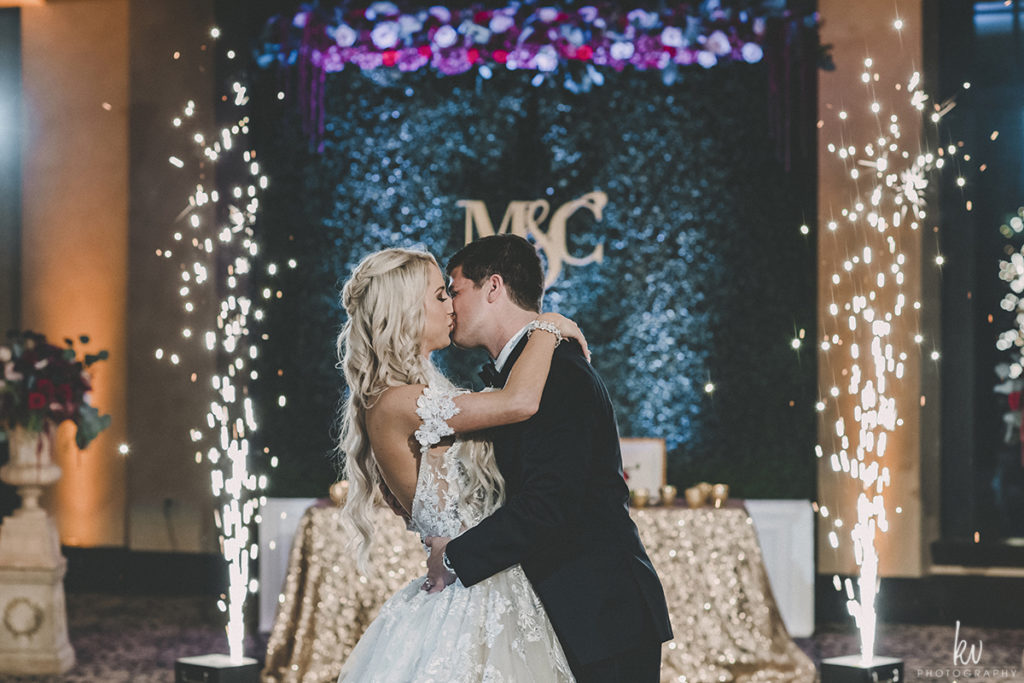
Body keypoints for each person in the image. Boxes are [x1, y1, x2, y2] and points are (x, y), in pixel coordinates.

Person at [424, 234, 673, 682]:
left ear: (493, 287)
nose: (450, 306)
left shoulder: (559, 372)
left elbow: (551, 504)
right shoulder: (531, 370)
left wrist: (455, 557)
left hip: (602, 617)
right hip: (570, 610)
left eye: (455, 290)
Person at [335, 247, 586, 682]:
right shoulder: (397, 402)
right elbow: (519, 401)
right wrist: (548, 327)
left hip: (489, 581)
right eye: (438, 296)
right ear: (404, 310)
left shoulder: (422, 393)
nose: (451, 305)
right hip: (466, 597)